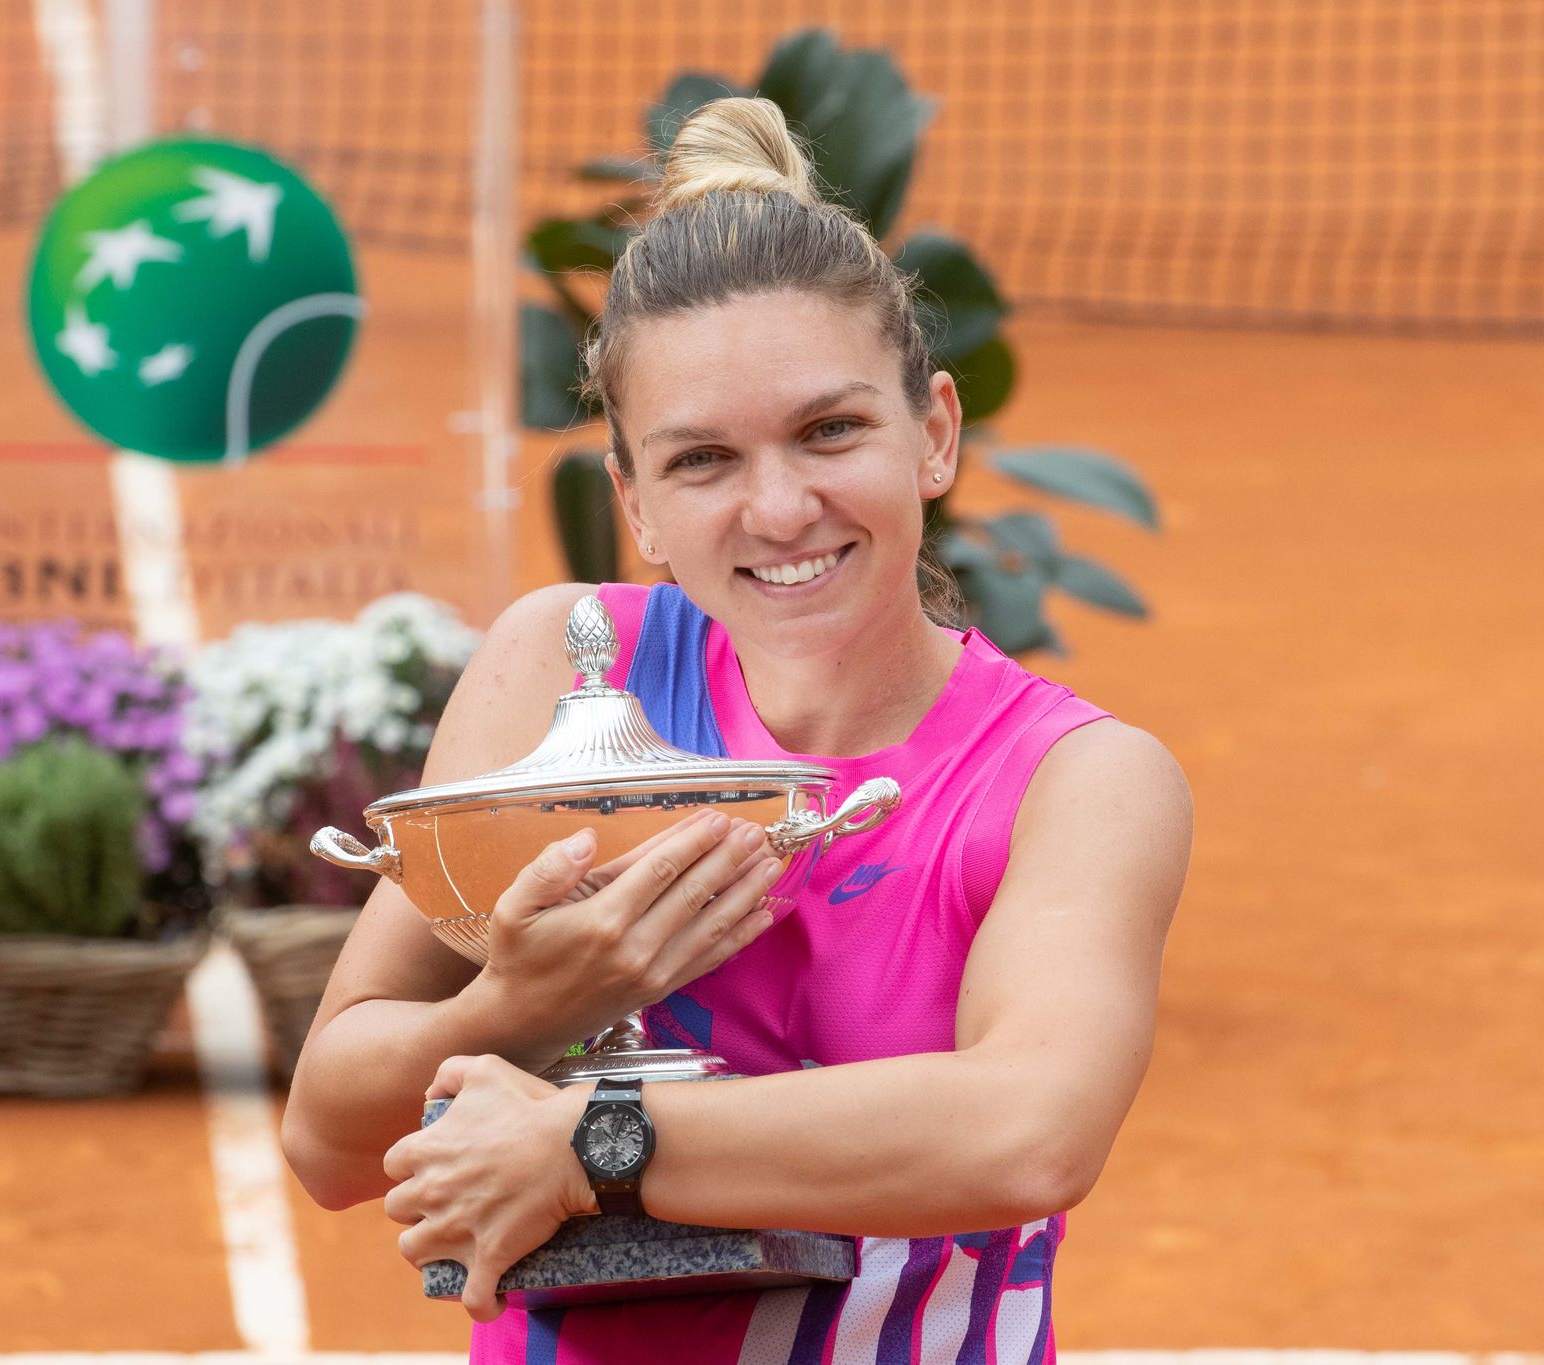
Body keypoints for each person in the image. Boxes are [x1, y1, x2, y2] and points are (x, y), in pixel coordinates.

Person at [281, 96, 1193, 1364]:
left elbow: (1026, 1131)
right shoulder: (557, 666)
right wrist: (528, 1001)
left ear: (932, 433)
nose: (779, 507)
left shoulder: (1075, 781)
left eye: (829, 431)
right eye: (702, 460)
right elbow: (328, 1140)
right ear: (635, 505)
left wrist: (588, 1146)